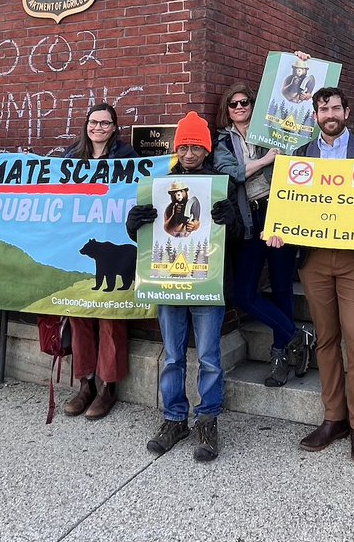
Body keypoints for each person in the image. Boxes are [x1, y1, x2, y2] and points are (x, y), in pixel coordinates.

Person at [268, 85, 354, 465]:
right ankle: (333, 418)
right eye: (323, 108)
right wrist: (277, 229)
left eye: (336, 107)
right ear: (315, 115)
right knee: (326, 339)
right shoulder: (300, 157)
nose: (330, 113)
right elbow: (287, 205)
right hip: (315, 258)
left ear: (347, 112)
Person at [126, 111, 234, 462]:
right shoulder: (161, 186)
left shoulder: (220, 184)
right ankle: (174, 418)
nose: (189, 153)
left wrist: (230, 222)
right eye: (184, 146)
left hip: (205, 282)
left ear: (206, 150)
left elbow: (238, 237)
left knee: (208, 357)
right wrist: (135, 224)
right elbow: (147, 237)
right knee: (172, 355)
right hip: (168, 283)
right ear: (177, 149)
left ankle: (207, 419)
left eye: (196, 147)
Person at [213, 82, 312, 388]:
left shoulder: (273, 131)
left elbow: (299, 108)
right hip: (249, 217)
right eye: (234, 104)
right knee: (243, 293)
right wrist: (267, 160)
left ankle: (280, 354)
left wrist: (300, 66)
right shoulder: (223, 142)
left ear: (254, 106)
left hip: (279, 210)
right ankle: (297, 336)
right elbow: (231, 172)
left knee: (282, 286)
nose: (240, 108)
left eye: (245, 102)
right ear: (227, 110)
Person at [61, 102, 137, 421]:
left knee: (110, 315)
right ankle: (85, 383)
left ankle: (108, 387)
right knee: (79, 315)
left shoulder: (127, 157)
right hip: (79, 240)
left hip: (114, 241)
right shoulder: (70, 157)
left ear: (114, 128)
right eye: (94, 122)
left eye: (106, 124)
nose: (99, 128)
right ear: (86, 124)